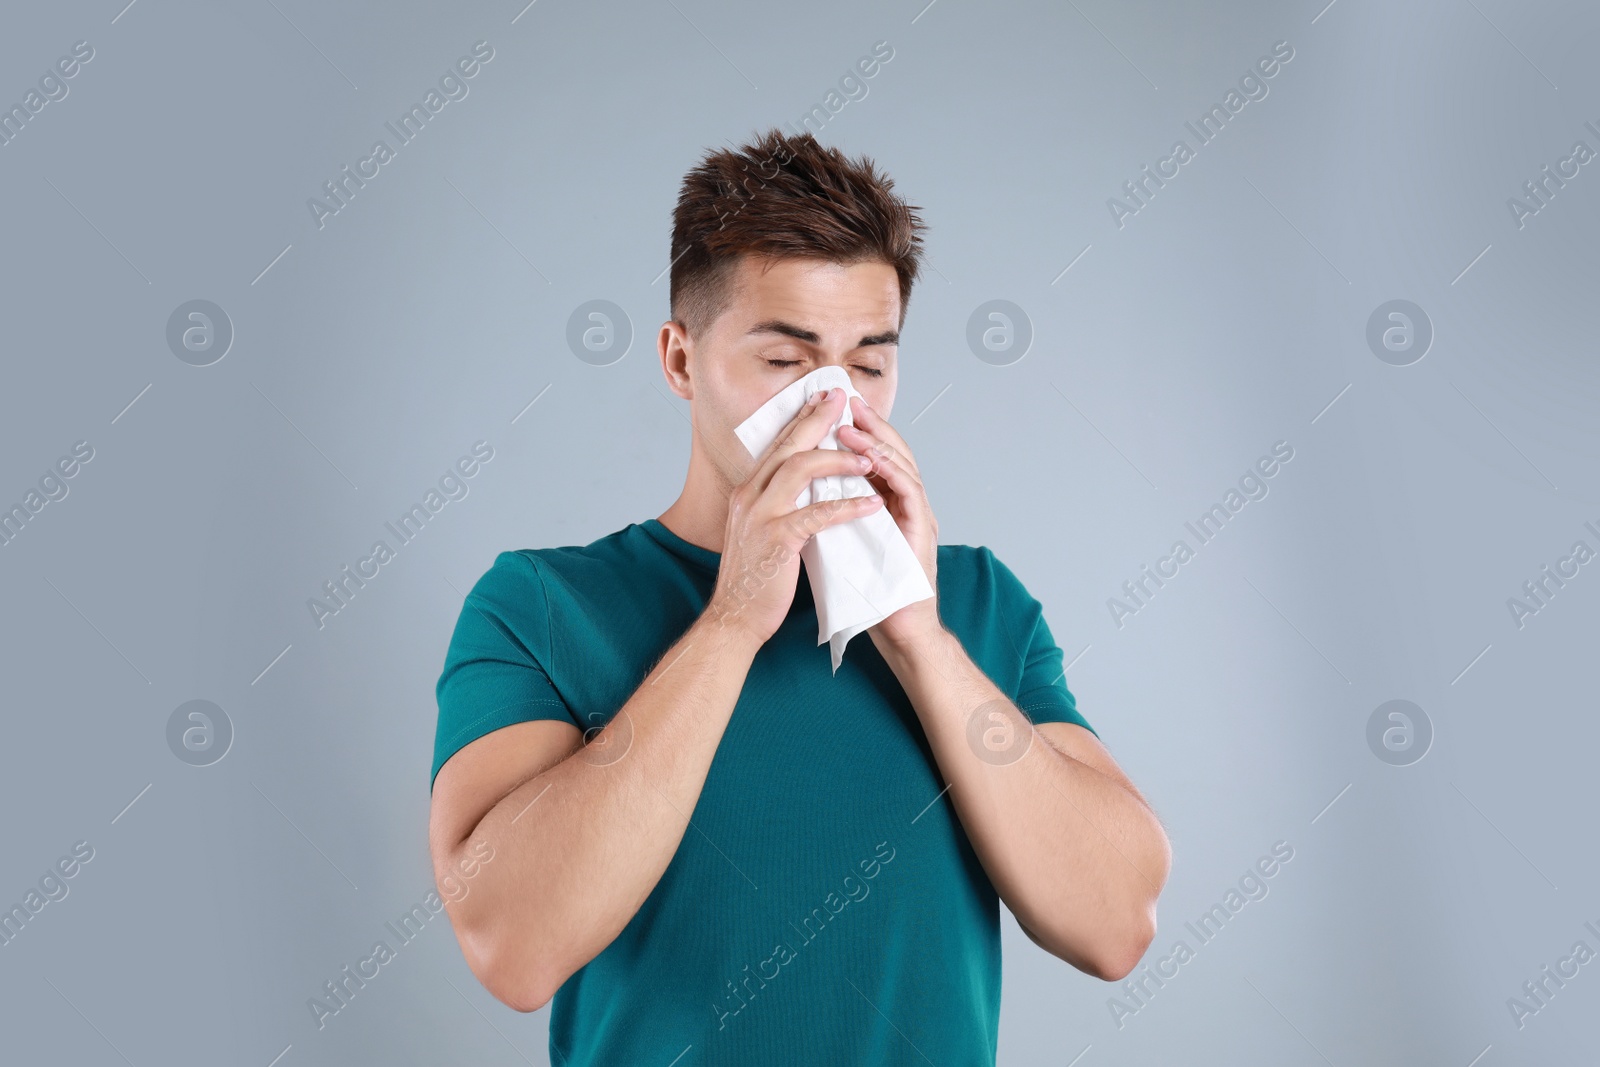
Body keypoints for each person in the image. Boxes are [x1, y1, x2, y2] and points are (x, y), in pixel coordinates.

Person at [427, 127, 1170, 1065]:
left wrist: (917, 635)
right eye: (785, 362)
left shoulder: (979, 602)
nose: (832, 404)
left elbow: (1117, 922)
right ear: (680, 359)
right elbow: (510, 945)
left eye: (868, 364)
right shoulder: (541, 605)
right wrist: (732, 620)